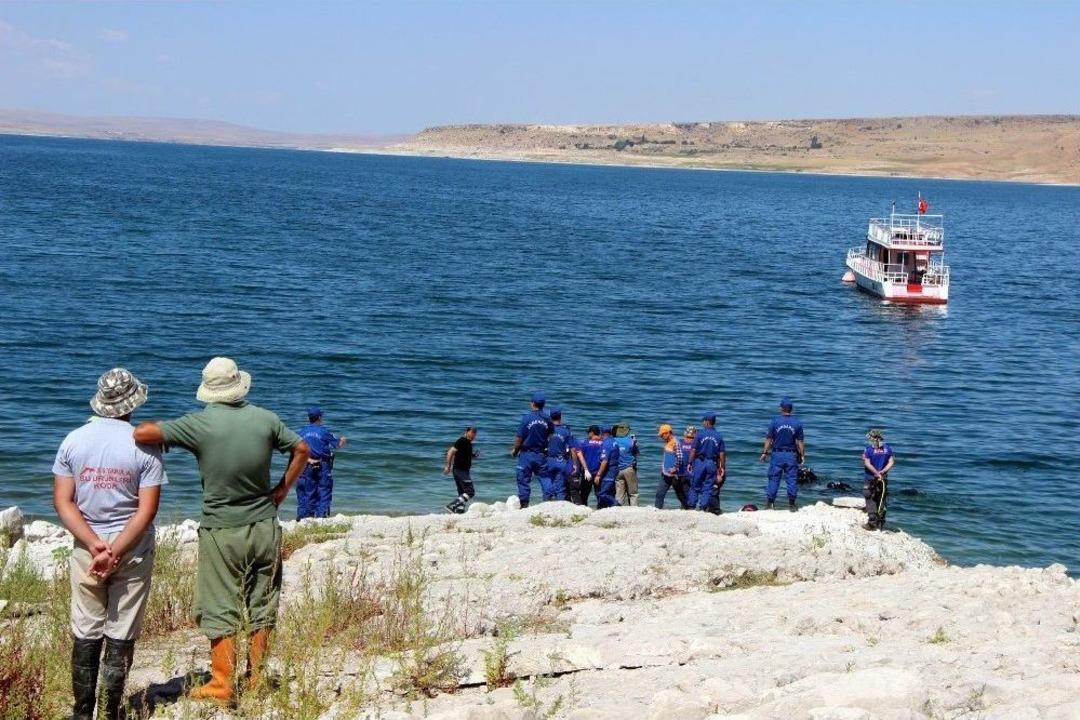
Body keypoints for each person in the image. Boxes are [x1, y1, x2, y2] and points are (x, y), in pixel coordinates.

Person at [133, 357, 310, 706]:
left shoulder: (200, 424)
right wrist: (281, 491)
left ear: (209, 390)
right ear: (238, 385)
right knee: (262, 602)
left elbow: (144, 432)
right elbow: (302, 448)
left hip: (222, 528)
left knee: (219, 604)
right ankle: (256, 678)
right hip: (264, 524)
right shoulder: (265, 418)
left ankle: (222, 684)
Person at [53, 369, 167, 720]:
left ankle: (82, 713)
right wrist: (116, 550)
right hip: (131, 547)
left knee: (86, 629)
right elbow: (146, 511)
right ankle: (109, 712)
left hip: (87, 549)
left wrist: (94, 545)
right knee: (122, 629)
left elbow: (63, 502)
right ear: (133, 403)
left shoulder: (73, 440)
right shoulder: (145, 446)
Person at [295, 406, 347, 520]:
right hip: (322, 465)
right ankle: (321, 516)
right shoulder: (323, 432)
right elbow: (338, 444)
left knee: (307, 491)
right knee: (324, 490)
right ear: (319, 417)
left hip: (305, 465)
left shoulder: (301, 432)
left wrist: (308, 459)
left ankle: (305, 517)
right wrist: (343, 440)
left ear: (309, 418)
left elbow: (295, 449)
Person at [759, 397, 805, 512]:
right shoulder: (797, 423)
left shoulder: (775, 422)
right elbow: (800, 442)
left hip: (777, 454)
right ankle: (792, 505)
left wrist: (764, 452)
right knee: (792, 479)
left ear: (781, 408)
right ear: (791, 409)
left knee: (774, 478)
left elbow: (769, 438)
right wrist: (802, 455)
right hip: (791, 455)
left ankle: (770, 504)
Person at [510, 392, 553, 508]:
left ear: (533, 403)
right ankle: (548, 500)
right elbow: (550, 435)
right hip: (541, 454)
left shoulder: (527, 418)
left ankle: (524, 504)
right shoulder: (548, 419)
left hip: (527, 454)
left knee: (523, 478)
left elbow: (519, 438)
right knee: (545, 477)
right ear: (543, 405)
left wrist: (515, 451)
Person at [687, 412, 725, 511]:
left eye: (703, 421)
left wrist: (690, 462)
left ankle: (691, 506)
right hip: (712, 463)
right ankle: (703, 507)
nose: (703, 423)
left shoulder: (700, 434)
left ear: (707, 422)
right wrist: (722, 467)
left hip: (700, 461)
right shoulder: (719, 436)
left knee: (695, 485)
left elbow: (693, 450)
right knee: (708, 487)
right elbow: (722, 454)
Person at [541, 408, 580, 501]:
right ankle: (559, 508)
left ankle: (546, 506)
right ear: (561, 417)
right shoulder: (566, 431)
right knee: (560, 488)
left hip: (547, 460)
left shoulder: (546, 430)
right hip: (561, 461)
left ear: (550, 417)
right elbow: (573, 449)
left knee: (547, 487)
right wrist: (575, 464)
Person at [862, 429, 895, 530]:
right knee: (881, 499)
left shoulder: (869, 450)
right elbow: (892, 462)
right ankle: (881, 522)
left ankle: (872, 523)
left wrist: (876, 473)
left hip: (871, 478)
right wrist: (883, 472)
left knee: (870, 497)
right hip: (883, 478)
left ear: (873, 438)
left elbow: (867, 463)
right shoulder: (887, 449)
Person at [443, 425, 478, 514]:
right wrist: (448, 466)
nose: (473, 437)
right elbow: (451, 451)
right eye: (471, 434)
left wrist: (473, 456)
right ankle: (452, 506)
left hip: (462, 470)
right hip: (460, 470)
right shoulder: (462, 441)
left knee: (462, 492)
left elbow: (464, 455)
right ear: (466, 432)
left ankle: (459, 511)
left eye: (474, 435)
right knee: (470, 492)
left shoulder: (468, 443)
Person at [654, 424, 687, 509]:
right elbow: (667, 457)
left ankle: (688, 508)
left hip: (674, 475)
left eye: (662, 435)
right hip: (665, 474)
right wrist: (662, 466)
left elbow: (680, 458)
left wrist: (675, 468)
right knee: (659, 493)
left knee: (680, 494)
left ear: (668, 433)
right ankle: (657, 509)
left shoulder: (675, 443)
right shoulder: (668, 442)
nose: (661, 437)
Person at [612, 422, 640, 506]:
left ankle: (617, 509)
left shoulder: (613, 441)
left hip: (617, 470)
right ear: (627, 431)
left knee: (619, 493)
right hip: (629, 468)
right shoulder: (631, 441)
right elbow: (637, 454)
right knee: (633, 493)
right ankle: (634, 510)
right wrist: (635, 442)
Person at [576, 425, 604, 507]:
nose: (587, 434)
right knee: (599, 494)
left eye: (588, 432)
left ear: (591, 433)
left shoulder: (585, 443)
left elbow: (579, 456)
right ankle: (600, 510)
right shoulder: (603, 444)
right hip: (599, 473)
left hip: (587, 472)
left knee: (584, 495)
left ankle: (584, 510)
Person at [594, 425, 621, 509]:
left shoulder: (607, 444)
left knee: (602, 494)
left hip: (609, 471)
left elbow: (604, 461)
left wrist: (598, 475)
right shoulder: (614, 441)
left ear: (603, 433)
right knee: (610, 492)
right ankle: (607, 508)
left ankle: (616, 504)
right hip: (614, 469)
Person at [675, 426, 695, 509]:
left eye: (691, 437)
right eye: (688, 437)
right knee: (684, 491)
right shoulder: (680, 443)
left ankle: (687, 507)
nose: (689, 439)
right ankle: (687, 507)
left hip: (687, 472)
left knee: (686, 491)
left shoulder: (695, 445)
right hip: (683, 472)